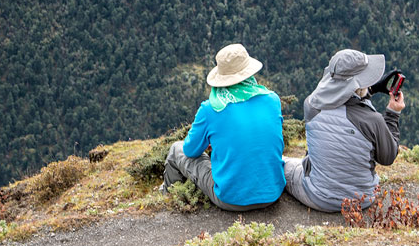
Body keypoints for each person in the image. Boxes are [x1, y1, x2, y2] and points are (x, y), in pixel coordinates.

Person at [163, 43, 286, 211]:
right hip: (272, 194)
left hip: (230, 199)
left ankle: (169, 195)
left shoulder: (210, 108)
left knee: (176, 149)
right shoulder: (272, 99)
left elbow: (190, 151)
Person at [283, 49, 404, 213]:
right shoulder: (373, 120)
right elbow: (388, 157)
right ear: (358, 84)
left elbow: (336, 98)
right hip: (361, 201)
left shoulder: (311, 106)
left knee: (285, 163)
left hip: (317, 197)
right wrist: (392, 113)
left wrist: (369, 89)